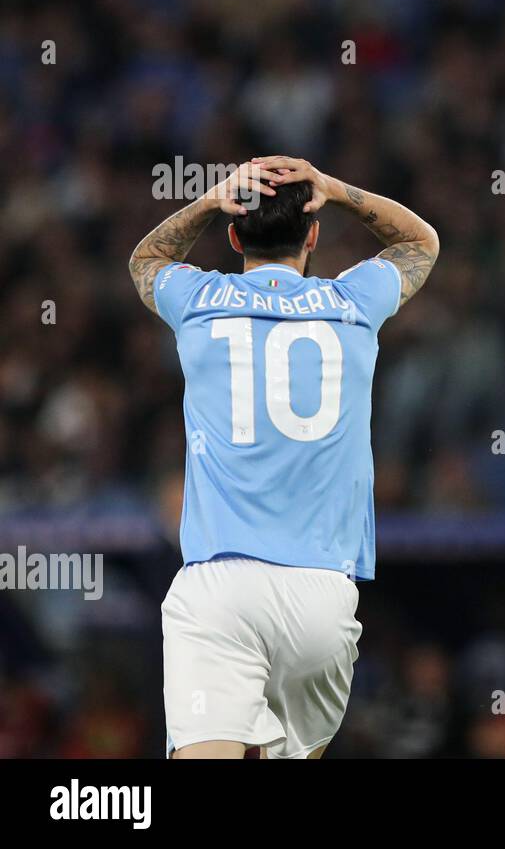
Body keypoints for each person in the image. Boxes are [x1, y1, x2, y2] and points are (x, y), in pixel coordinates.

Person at [128, 157, 438, 758]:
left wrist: (207, 201)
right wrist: (336, 189)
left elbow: (146, 260)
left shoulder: (199, 298)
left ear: (234, 235)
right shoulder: (352, 300)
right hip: (321, 593)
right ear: (314, 233)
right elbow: (418, 241)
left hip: (220, 585)